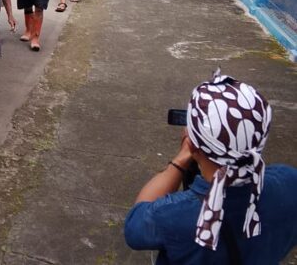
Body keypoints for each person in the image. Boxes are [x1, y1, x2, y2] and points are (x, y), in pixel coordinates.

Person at [125, 71, 297, 263]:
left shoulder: (172, 216)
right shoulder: (290, 182)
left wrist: (180, 160)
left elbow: (135, 224)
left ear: (193, 145)